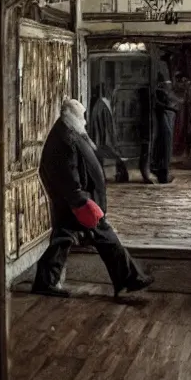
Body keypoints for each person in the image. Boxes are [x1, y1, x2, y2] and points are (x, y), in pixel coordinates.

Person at [32, 99, 154, 299]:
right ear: (71, 115)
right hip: (77, 202)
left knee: (64, 238)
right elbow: (68, 177)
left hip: (76, 201)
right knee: (105, 236)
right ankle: (129, 279)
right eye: (82, 117)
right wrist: (82, 202)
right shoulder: (64, 139)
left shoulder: (68, 131)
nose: (85, 121)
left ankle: (44, 282)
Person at [88, 82, 129, 183]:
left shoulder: (104, 104)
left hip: (104, 137)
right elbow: (105, 126)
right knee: (114, 155)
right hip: (103, 138)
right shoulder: (101, 105)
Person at [151, 75, 178, 184]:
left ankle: (163, 174)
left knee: (165, 150)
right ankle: (162, 175)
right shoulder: (160, 93)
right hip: (164, 125)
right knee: (164, 150)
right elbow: (165, 105)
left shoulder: (163, 94)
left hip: (166, 123)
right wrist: (172, 108)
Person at [137, 86, 154, 184]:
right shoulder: (144, 108)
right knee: (145, 155)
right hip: (146, 134)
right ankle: (145, 175)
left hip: (146, 134)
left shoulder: (145, 107)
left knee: (145, 155)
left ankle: (145, 174)